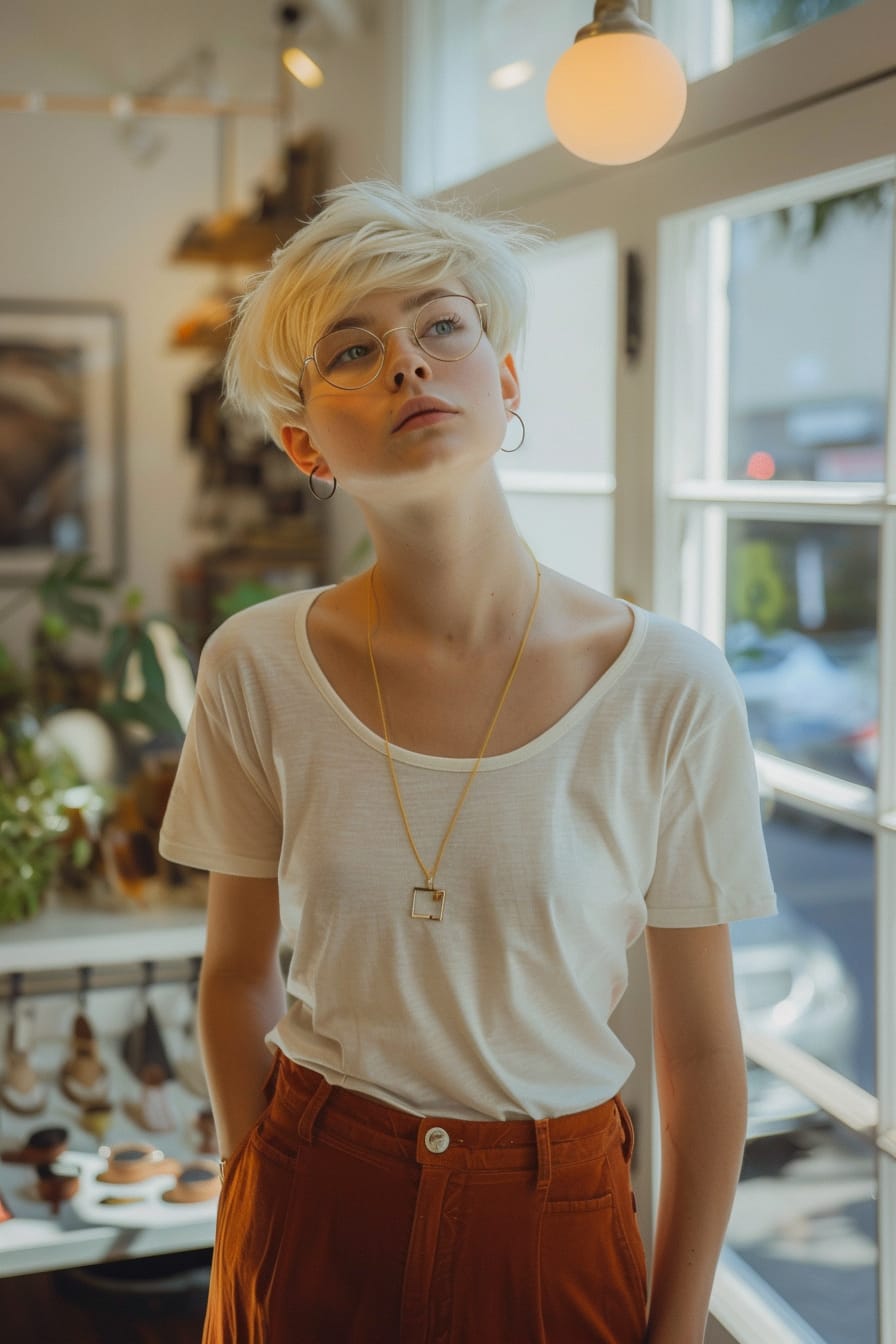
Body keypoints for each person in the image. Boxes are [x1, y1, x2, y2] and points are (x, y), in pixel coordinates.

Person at [159, 180, 776, 1344]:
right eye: (355, 347)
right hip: (314, 1188)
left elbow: (696, 1047)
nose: (407, 363)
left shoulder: (667, 686)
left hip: (555, 1212)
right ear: (304, 444)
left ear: (503, 380)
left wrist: (678, 1327)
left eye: (440, 325)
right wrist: (259, 1192)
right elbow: (235, 973)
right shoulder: (255, 665)